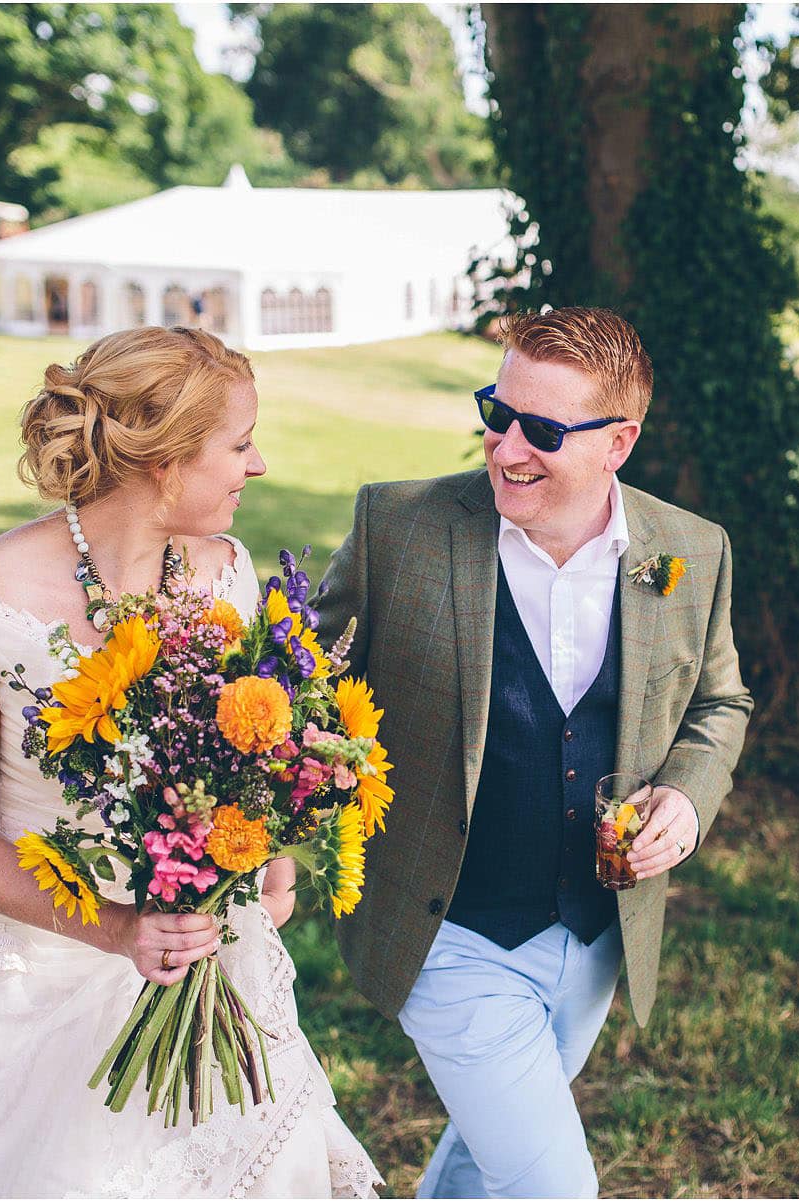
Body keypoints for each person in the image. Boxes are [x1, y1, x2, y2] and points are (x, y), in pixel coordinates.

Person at [0, 327, 380, 1198]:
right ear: (166, 460)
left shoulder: (225, 572)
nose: (257, 465)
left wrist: (259, 852)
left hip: (202, 950)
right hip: (23, 969)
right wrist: (120, 930)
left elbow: (233, 747)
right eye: (239, 443)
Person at [314, 306, 753, 1198]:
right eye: (495, 411)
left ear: (617, 444)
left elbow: (719, 699)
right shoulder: (401, 527)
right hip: (449, 929)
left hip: (596, 932)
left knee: (492, 1151)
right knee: (552, 1186)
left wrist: (687, 799)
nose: (506, 445)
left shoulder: (690, 550)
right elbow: (301, 682)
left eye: (544, 429)